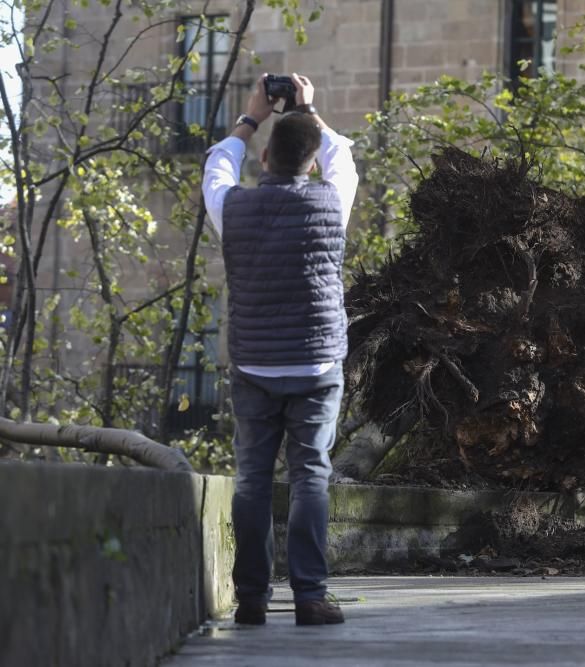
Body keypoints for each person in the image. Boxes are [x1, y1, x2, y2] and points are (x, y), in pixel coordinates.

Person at [201, 73, 358, 626]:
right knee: (310, 474)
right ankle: (311, 597)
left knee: (252, 479)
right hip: (316, 364)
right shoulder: (332, 201)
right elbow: (340, 157)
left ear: (264, 157)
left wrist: (250, 117)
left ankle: (251, 600)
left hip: (254, 366)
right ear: (310, 163)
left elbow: (216, 166)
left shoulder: (232, 209)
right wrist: (310, 109)